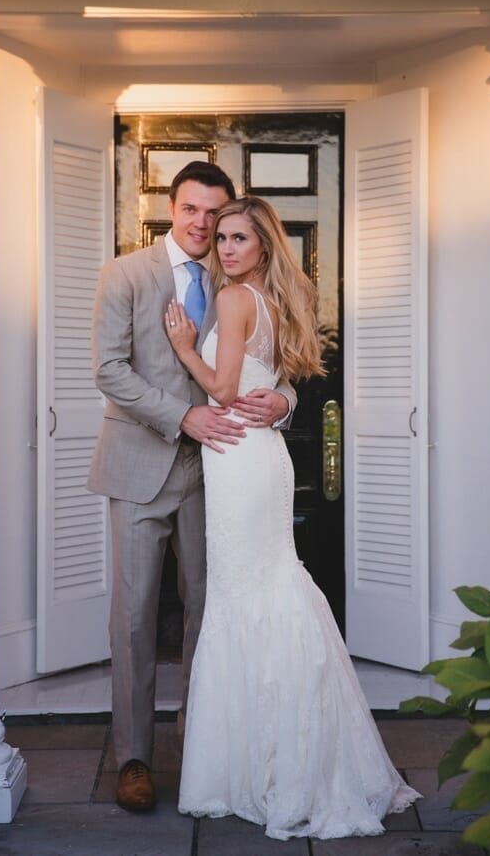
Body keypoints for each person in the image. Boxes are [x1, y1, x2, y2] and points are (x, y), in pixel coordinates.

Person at [164, 196, 419, 839]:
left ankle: (266, 766)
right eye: (220, 238)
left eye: (239, 238)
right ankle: (294, 754)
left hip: (238, 458)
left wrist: (185, 346)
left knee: (246, 594)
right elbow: (270, 380)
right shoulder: (278, 305)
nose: (224, 248)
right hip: (259, 457)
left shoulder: (233, 301)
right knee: (271, 587)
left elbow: (222, 392)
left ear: (263, 247)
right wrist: (273, 398)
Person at [89, 162, 295, 812]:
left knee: (212, 612)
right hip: (141, 465)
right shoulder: (126, 273)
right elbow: (109, 369)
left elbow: (276, 363)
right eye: (192, 210)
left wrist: (283, 403)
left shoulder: (236, 272)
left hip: (219, 473)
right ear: (169, 208)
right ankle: (134, 758)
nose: (205, 225)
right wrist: (181, 414)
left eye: (216, 214)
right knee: (135, 616)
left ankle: (206, 748)